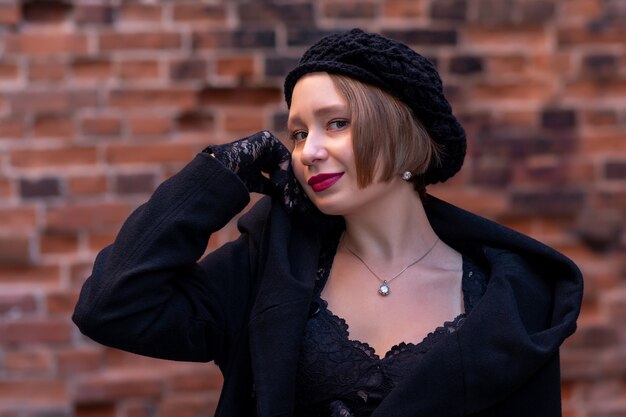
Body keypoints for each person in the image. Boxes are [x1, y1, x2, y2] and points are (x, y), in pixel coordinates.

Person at [73, 28, 583, 417]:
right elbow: (110, 306)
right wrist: (219, 175)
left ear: (402, 131)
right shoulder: (268, 267)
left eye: (336, 123)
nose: (308, 152)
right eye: (298, 134)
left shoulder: (516, 297)